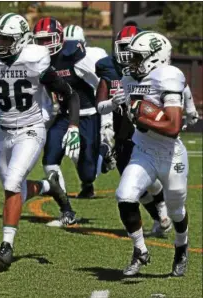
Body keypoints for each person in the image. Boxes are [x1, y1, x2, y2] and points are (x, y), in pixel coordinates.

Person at [0, 13, 80, 270]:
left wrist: (74, 125)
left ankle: (6, 247)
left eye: (5, 38)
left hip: (31, 129)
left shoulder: (34, 59)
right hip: (4, 131)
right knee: (16, 192)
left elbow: (70, 94)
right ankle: (49, 186)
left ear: (21, 40)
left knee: (12, 183)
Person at [118, 31, 189, 277]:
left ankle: (181, 247)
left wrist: (142, 115)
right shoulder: (129, 79)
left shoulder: (167, 77)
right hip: (143, 149)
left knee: (177, 209)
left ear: (155, 58)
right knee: (125, 196)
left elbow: (173, 127)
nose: (132, 62)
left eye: (138, 57)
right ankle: (139, 249)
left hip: (171, 153)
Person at [47, 24, 109, 198]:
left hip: (89, 113)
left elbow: (101, 85)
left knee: (88, 167)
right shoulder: (51, 60)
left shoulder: (87, 59)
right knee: (55, 149)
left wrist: (106, 114)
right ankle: (59, 192)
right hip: (66, 115)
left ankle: (101, 154)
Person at [32, 17, 79, 227]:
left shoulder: (78, 56)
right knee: (50, 161)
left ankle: (102, 157)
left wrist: (105, 119)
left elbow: (91, 88)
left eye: (48, 39)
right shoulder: (31, 60)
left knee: (89, 171)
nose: (44, 46)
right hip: (56, 115)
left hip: (86, 114)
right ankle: (66, 208)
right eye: (40, 41)